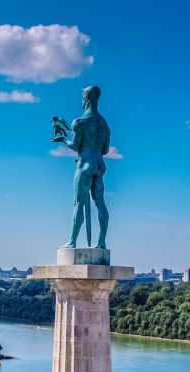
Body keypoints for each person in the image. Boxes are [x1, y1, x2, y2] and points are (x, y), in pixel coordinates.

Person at [52, 85, 110, 249]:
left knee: (78, 203)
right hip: (99, 164)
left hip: (85, 164)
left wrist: (63, 140)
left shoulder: (79, 122)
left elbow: (76, 146)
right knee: (100, 202)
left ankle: (72, 241)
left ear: (85, 98)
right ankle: (102, 241)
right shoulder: (104, 125)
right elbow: (105, 150)